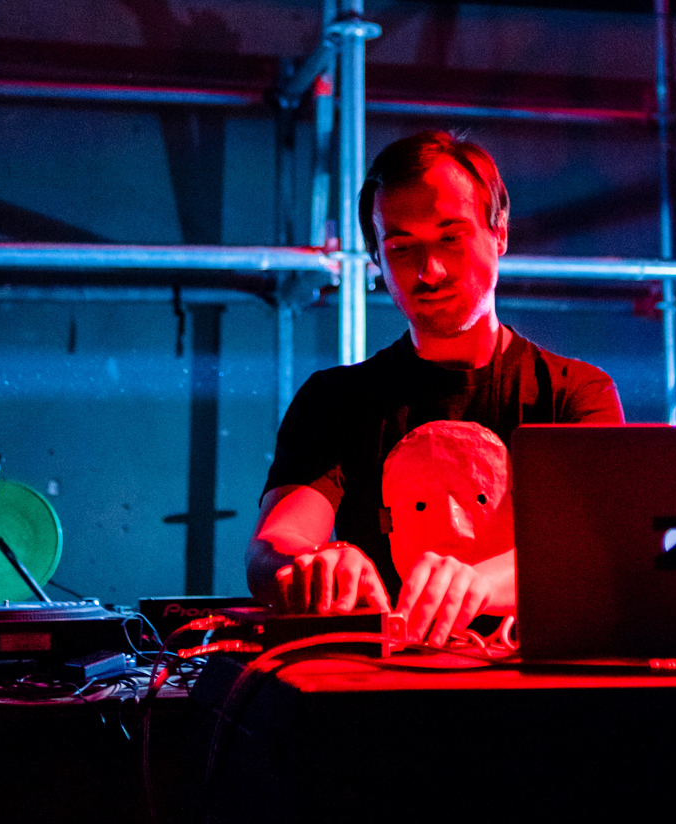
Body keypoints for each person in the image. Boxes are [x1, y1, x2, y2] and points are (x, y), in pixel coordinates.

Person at [246, 130, 624, 647]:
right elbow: (272, 546)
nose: (430, 271)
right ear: (377, 259)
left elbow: (594, 549)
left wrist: (478, 584)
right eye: (401, 247)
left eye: (450, 237)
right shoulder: (336, 400)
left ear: (499, 233)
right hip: (378, 683)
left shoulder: (573, 393)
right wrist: (312, 562)